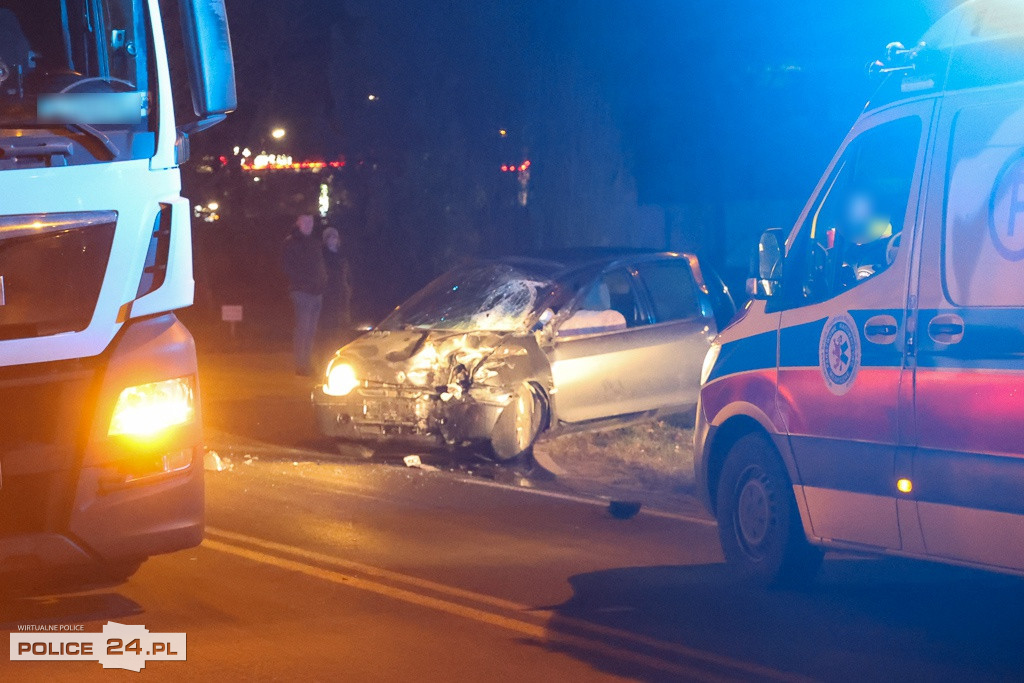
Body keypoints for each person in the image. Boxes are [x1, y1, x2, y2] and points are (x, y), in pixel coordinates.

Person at [282, 214, 327, 375]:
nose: (309, 225)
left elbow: (320, 265)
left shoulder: (314, 243)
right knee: (303, 329)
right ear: (298, 223)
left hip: (316, 291)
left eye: (311, 222)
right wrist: (305, 283)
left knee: (311, 330)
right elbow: (289, 268)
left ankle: (307, 363)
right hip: (302, 291)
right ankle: (301, 365)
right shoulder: (291, 243)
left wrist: (322, 282)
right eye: (305, 222)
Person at [320, 226, 352, 346]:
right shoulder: (322, 256)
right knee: (330, 325)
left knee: (343, 324)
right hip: (328, 295)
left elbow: (348, 275)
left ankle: (342, 346)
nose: (333, 240)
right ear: (326, 240)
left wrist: (348, 288)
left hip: (342, 294)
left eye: (335, 237)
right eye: (330, 237)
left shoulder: (342, 256)